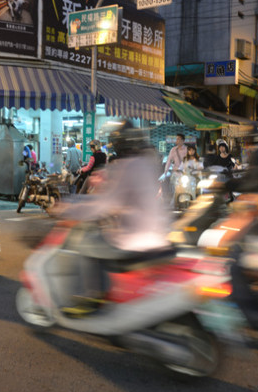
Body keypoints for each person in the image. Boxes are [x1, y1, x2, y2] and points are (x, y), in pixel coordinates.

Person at [57, 121, 173, 312]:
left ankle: (91, 297)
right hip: (158, 233)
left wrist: (70, 209)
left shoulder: (126, 166)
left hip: (136, 237)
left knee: (87, 243)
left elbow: (106, 203)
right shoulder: (147, 164)